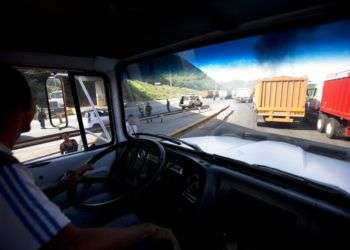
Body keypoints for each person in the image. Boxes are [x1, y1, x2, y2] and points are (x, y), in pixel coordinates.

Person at [0, 65, 180, 250]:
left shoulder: (8, 170)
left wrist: (63, 184)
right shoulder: (6, 171)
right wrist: (147, 229)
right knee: (133, 220)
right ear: (27, 115)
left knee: (105, 196)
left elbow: (28, 200)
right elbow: (74, 244)